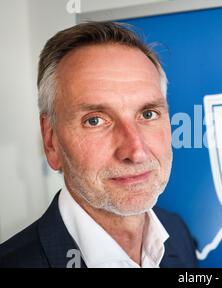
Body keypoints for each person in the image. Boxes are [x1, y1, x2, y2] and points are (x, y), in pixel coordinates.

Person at [0, 21, 197, 268]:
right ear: (51, 141)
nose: (136, 151)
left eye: (148, 114)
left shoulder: (177, 234)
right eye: (95, 120)